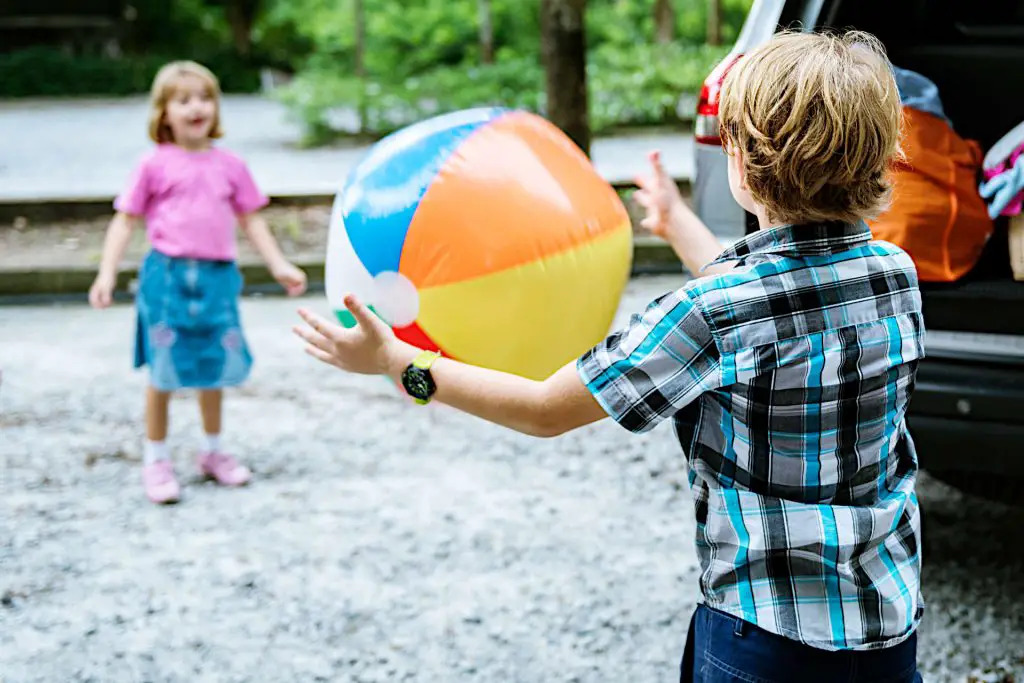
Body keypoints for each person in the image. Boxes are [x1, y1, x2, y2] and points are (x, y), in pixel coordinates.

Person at [294, 31, 924, 683]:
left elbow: (544, 409)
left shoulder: (711, 312)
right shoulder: (893, 276)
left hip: (763, 637)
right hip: (884, 625)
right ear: (881, 159)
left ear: (742, 162)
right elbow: (785, 302)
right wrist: (677, 220)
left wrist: (400, 363)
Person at [89, 61, 308, 505]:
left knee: (214, 366)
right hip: (166, 279)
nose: (196, 107)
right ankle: (156, 458)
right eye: (183, 99)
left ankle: (212, 451)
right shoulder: (153, 165)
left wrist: (279, 265)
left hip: (217, 279)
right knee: (164, 371)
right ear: (163, 112)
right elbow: (124, 221)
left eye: (205, 97)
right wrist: (106, 271)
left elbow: (252, 220)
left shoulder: (231, 165)